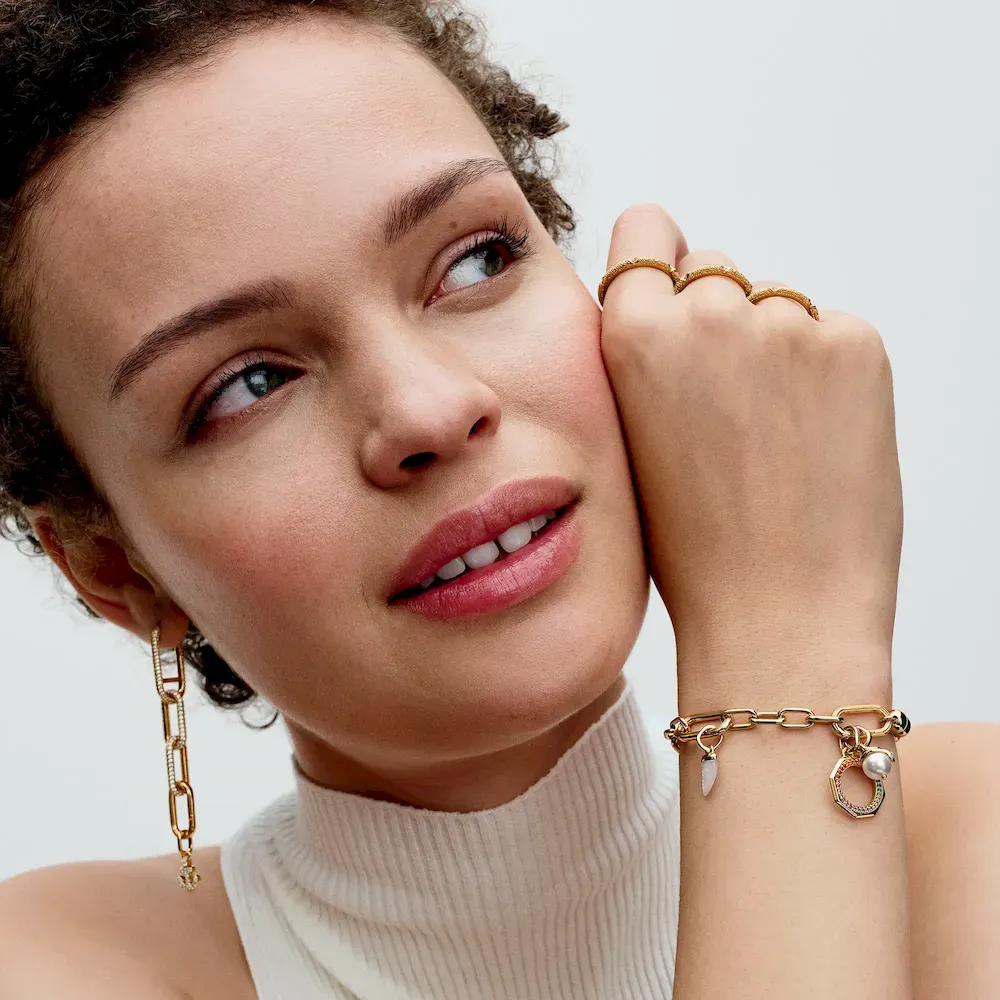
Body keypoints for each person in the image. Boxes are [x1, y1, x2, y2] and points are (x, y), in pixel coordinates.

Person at [0, 1, 997, 997]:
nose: (431, 410)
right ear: (115, 568)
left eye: (477, 259)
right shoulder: (58, 965)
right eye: (247, 385)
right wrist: (784, 632)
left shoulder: (971, 842)